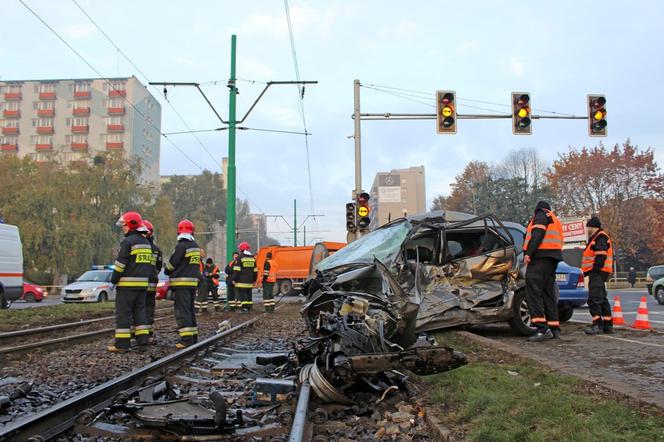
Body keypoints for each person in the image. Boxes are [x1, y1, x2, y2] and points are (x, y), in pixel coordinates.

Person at [108, 212, 153, 353]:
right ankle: (143, 342)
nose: (123, 228)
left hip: (127, 286)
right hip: (142, 286)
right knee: (140, 312)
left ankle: (122, 345)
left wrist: (113, 280)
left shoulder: (127, 242)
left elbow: (120, 264)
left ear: (131, 225)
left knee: (124, 314)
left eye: (124, 225)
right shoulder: (146, 243)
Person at [523, 201, 564, 341]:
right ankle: (554, 328)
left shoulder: (541, 214)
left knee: (532, 291)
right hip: (552, 259)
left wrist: (529, 253)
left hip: (540, 257)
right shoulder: (554, 218)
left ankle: (542, 328)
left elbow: (537, 233)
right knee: (548, 293)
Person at [164, 219, 201, 348]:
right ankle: (193, 336)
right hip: (192, 284)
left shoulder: (181, 246)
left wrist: (167, 270)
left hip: (181, 284)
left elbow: (171, 264)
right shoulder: (195, 246)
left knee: (182, 311)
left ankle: (186, 340)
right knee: (190, 310)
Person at [582, 216, 614, 335]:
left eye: (588, 227)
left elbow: (601, 254)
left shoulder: (600, 237)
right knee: (602, 298)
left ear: (593, 227)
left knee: (594, 299)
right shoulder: (598, 237)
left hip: (598, 272)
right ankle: (608, 324)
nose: (587, 229)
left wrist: (595, 270)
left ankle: (597, 325)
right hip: (600, 271)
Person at [141, 220, 162, 343]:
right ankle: (148, 333)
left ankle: (139, 334)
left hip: (140, 284)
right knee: (149, 308)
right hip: (152, 283)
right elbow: (158, 267)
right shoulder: (157, 249)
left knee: (138, 308)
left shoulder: (136, 245)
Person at [232, 242, 258, 313]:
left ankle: (244, 309)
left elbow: (236, 270)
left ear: (241, 249)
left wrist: (234, 279)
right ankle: (249, 308)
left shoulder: (239, 257)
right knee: (249, 294)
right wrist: (254, 279)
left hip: (241, 282)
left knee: (242, 295)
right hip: (250, 281)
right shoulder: (252, 258)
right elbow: (255, 270)